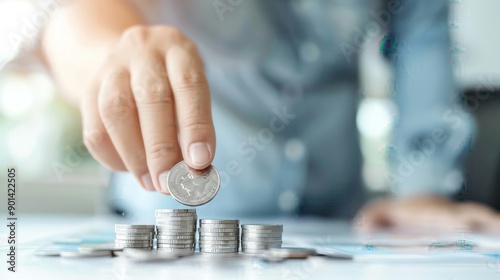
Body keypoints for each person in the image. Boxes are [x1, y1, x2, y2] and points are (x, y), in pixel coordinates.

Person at [16, 0, 500, 230]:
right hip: (170, 225)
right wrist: (109, 59)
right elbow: (64, 12)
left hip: (340, 224)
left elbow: (422, 36)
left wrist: (423, 192)